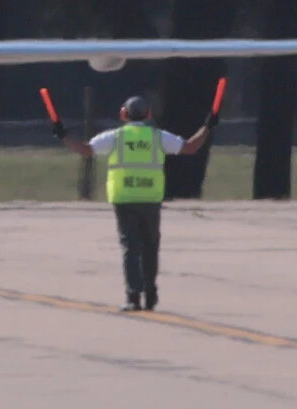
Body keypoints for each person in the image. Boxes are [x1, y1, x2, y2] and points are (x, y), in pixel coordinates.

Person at [60, 95, 210, 312]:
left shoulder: (116, 137)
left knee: (130, 248)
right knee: (150, 247)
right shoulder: (158, 137)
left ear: (123, 114)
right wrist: (207, 126)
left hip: (124, 198)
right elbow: (190, 147)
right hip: (150, 198)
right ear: (149, 115)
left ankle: (133, 296)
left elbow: (85, 150)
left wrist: (63, 134)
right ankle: (150, 294)